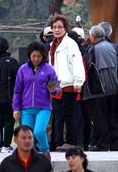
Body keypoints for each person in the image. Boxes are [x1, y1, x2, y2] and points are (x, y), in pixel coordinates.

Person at [13, 41, 59, 156]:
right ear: (29, 56)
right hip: (26, 108)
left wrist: (54, 90)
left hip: (43, 107)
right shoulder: (22, 70)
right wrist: (16, 108)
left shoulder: (49, 70)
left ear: (43, 56)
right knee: (28, 136)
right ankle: (31, 157)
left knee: (39, 131)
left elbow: (57, 89)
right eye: (33, 56)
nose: (36, 59)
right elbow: (17, 90)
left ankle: (45, 152)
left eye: (39, 56)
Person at [48, 14, 85, 151]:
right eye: (54, 27)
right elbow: (50, 66)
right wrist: (50, 85)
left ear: (65, 28)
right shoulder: (52, 44)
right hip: (56, 83)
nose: (57, 30)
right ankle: (58, 142)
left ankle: (70, 141)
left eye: (60, 27)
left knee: (69, 114)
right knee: (57, 115)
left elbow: (77, 63)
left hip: (69, 83)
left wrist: (78, 81)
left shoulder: (71, 44)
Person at [83, 25, 118, 151]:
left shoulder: (92, 49)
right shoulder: (115, 47)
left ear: (93, 37)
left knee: (100, 118)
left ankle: (102, 144)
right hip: (114, 88)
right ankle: (115, 144)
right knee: (113, 116)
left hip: (98, 89)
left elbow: (87, 67)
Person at [0, 37, 19, 152]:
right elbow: (18, 78)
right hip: (9, 97)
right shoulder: (12, 62)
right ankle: (6, 144)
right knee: (9, 122)